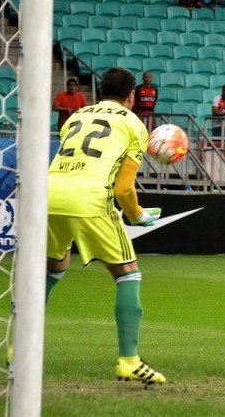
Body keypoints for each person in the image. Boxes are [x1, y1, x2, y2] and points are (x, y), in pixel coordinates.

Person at [46, 67, 165, 385]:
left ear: (99, 92)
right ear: (131, 96)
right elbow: (124, 190)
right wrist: (138, 215)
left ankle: (18, 348)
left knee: (53, 267)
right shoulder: (133, 124)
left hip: (48, 194)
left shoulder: (77, 116)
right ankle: (129, 360)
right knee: (129, 274)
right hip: (90, 199)